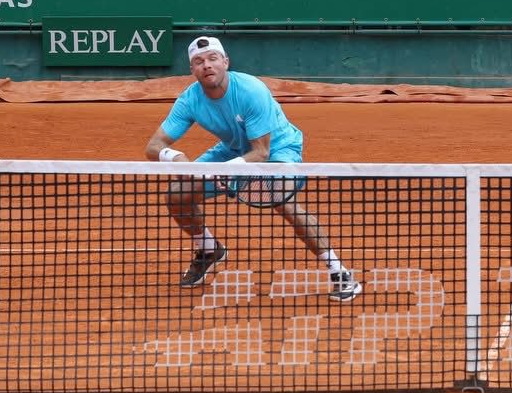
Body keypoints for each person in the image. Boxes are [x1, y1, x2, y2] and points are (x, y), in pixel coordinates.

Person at [144, 36, 362, 301]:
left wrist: (225, 171)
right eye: (199, 61)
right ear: (192, 70)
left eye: (213, 58)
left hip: (278, 148)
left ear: (225, 62)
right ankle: (209, 249)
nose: (207, 65)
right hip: (233, 150)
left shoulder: (250, 90)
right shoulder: (190, 100)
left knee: (283, 202)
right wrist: (177, 158)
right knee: (177, 194)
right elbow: (154, 145)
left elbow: (261, 151)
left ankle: (340, 272)